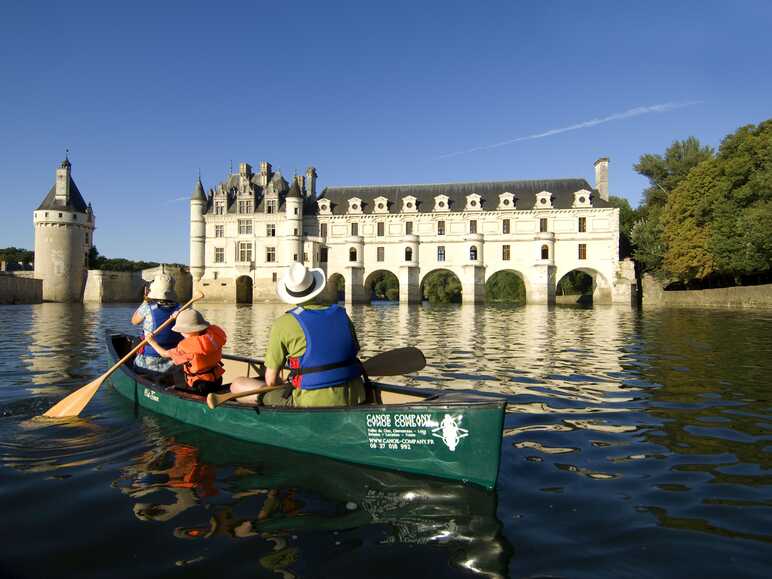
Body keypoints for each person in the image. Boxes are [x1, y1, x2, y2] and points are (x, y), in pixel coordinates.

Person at [230, 262, 367, 407]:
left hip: (310, 401)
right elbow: (353, 352)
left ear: (290, 293)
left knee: (237, 385)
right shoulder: (342, 314)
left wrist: (284, 384)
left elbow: (270, 381)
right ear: (315, 288)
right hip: (356, 395)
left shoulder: (283, 323)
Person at [146, 309, 227, 396]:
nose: (181, 333)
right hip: (217, 379)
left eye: (181, 331)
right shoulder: (213, 334)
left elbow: (164, 354)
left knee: (170, 389)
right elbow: (202, 324)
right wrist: (179, 317)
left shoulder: (185, 347)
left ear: (188, 331)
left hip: (200, 386)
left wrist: (151, 342)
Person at [131, 274, 182, 374]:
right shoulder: (180, 309)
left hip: (149, 359)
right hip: (173, 360)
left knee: (136, 343)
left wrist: (145, 301)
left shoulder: (148, 307)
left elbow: (134, 321)